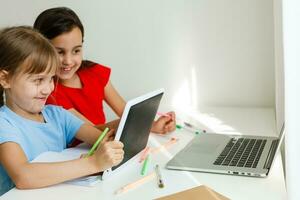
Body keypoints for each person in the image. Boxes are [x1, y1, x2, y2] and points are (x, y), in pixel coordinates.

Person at [0, 26, 124, 196]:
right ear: (5, 79)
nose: (48, 89)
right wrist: (92, 163)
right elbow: (23, 176)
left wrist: (124, 127)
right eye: (38, 80)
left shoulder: (57, 115)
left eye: (51, 78)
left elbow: (101, 138)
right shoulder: (4, 123)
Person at [33, 7, 176, 141]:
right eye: (59, 52)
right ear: (40, 50)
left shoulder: (95, 73)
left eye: (76, 51)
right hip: (81, 153)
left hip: (106, 145)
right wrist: (124, 123)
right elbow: (90, 131)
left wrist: (152, 125)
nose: (68, 61)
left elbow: (125, 110)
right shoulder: (47, 92)